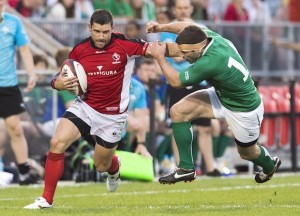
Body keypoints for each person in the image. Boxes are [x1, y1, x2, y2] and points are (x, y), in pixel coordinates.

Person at [24, 9, 180, 209]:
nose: (101, 36)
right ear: (89, 28)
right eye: (97, 31)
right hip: (85, 107)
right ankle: (46, 199)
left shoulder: (125, 44)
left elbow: (160, 49)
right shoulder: (79, 50)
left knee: (101, 165)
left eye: (105, 32)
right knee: (57, 142)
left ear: (112, 29)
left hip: (112, 116)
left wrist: (188, 49)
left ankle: (114, 168)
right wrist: (59, 83)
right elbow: (59, 78)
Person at [146, 20, 281, 184]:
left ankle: (269, 165)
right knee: (178, 111)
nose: (182, 56)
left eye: (185, 53)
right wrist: (162, 27)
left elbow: (175, 81)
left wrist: (160, 57)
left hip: (244, 109)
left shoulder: (210, 62)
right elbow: (187, 26)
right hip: (223, 94)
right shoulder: (208, 37)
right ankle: (186, 168)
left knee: (247, 153)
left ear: (197, 49)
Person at [161, 0, 220, 177]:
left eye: (186, 7)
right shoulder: (169, 32)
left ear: (192, 9)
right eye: (180, 8)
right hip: (178, 81)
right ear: (174, 10)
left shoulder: (200, 28)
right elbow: (181, 57)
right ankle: (182, 166)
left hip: (198, 81)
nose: (183, 11)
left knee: (205, 128)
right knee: (177, 126)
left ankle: (210, 166)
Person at [0, 0, 38, 185]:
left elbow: (24, 50)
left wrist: (32, 74)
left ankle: (24, 172)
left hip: (8, 85)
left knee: (15, 128)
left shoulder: (13, 22)